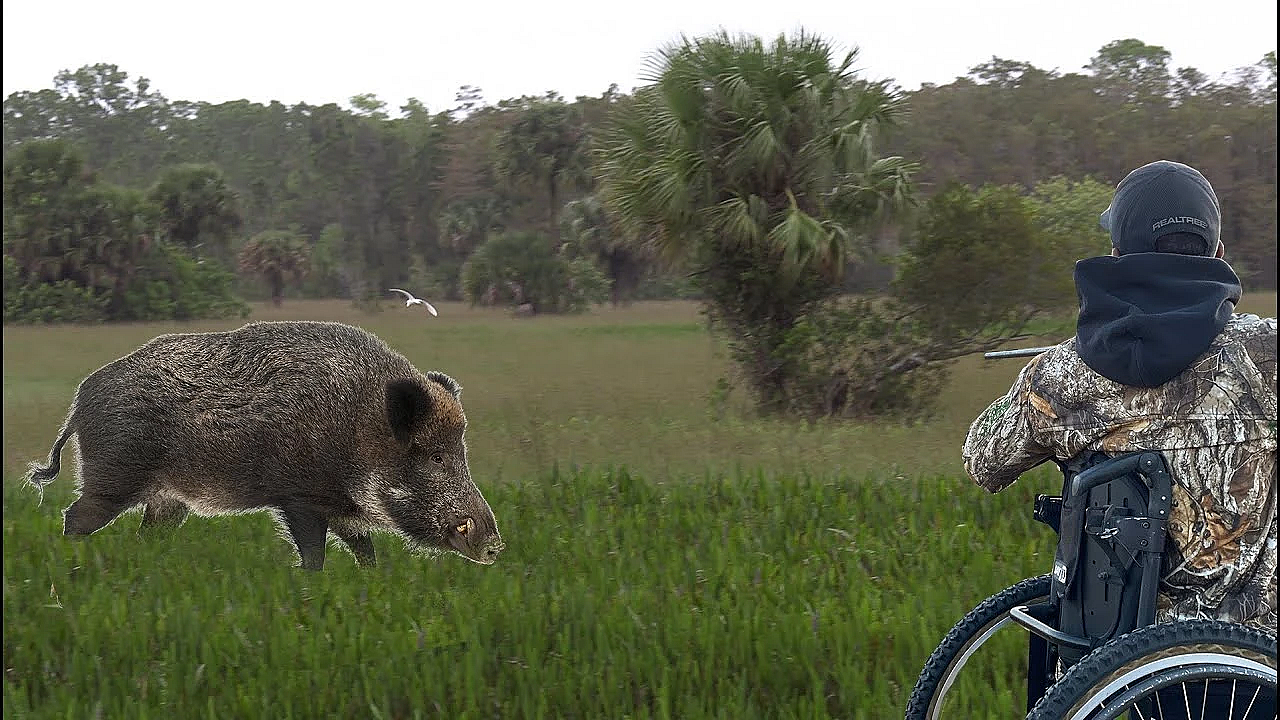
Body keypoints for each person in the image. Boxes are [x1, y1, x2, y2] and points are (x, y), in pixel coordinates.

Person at [963, 161, 1276, 710]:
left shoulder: (1060, 375)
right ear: (1218, 256)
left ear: (1116, 259)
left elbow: (982, 461)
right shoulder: (1268, 354)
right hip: (1253, 676)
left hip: (1111, 682)